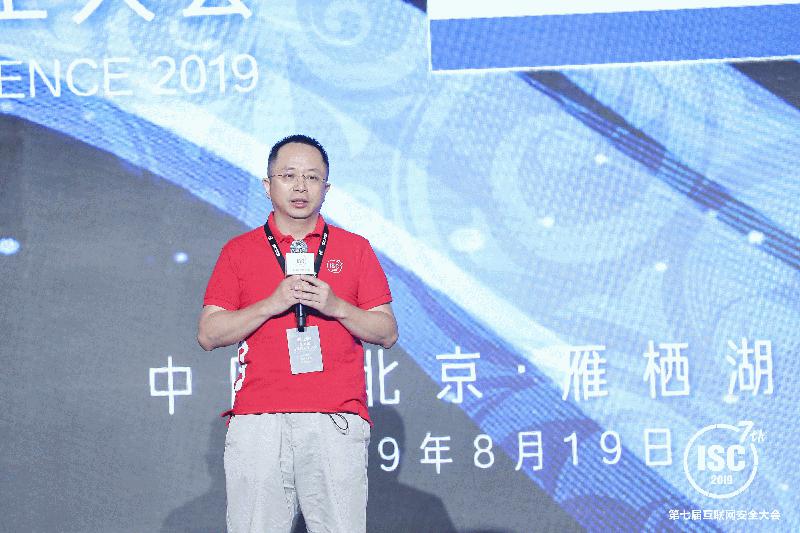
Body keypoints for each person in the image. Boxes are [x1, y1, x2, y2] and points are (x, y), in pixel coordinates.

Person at [197, 134, 398, 533]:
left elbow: (387, 331)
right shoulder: (239, 251)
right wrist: (270, 304)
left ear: (327, 188)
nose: (301, 187)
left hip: (335, 416)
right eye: (289, 175)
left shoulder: (354, 249)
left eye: (312, 177)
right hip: (259, 417)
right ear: (267, 185)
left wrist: (337, 306)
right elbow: (209, 333)